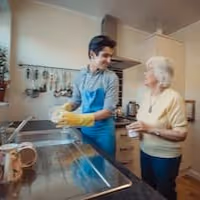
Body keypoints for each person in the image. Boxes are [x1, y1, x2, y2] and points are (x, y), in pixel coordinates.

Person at [127, 56, 188, 200]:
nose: (144, 74)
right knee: (148, 189)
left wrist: (149, 129)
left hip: (165, 157)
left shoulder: (174, 98)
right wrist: (138, 130)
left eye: (148, 70)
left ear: (161, 74)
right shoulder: (146, 95)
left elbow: (181, 134)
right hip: (145, 151)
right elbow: (144, 122)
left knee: (164, 193)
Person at [53, 35, 119, 158]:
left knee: (106, 165)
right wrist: (65, 108)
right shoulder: (80, 76)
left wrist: (80, 119)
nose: (109, 60)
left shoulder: (111, 77)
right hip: (87, 131)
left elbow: (108, 111)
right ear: (92, 54)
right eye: (105, 55)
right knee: (88, 164)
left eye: (111, 56)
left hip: (104, 132)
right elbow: (76, 100)